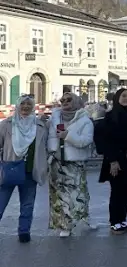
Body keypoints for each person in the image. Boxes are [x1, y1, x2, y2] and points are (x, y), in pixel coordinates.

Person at [0, 95, 48, 243]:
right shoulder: (7, 124)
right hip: (10, 168)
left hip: (30, 170)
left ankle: (24, 231)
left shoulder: (40, 126)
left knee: (27, 204)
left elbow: (45, 146)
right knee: (1, 202)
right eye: (23, 104)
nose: (26, 107)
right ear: (18, 105)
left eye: (29, 104)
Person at [47, 92, 95, 237]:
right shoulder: (54, 118)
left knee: (78, 195)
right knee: (59, 196)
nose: (65, 102)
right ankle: (64, 225)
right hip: (56, 162)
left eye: (68, 99)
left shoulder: (85, 120)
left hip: (74, 163)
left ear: (75, 101)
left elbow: (86, 141)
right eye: (62, 100)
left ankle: (83, 217)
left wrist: (67, 135)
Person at [98, 87, 127, 234]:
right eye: (123, 96)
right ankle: (114, 221)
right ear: (117, 98)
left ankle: (123, 219)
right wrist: (113, 160)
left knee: (126, 191)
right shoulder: (110, 116)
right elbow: (106, 140)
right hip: (115, 160)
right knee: (116, 191)